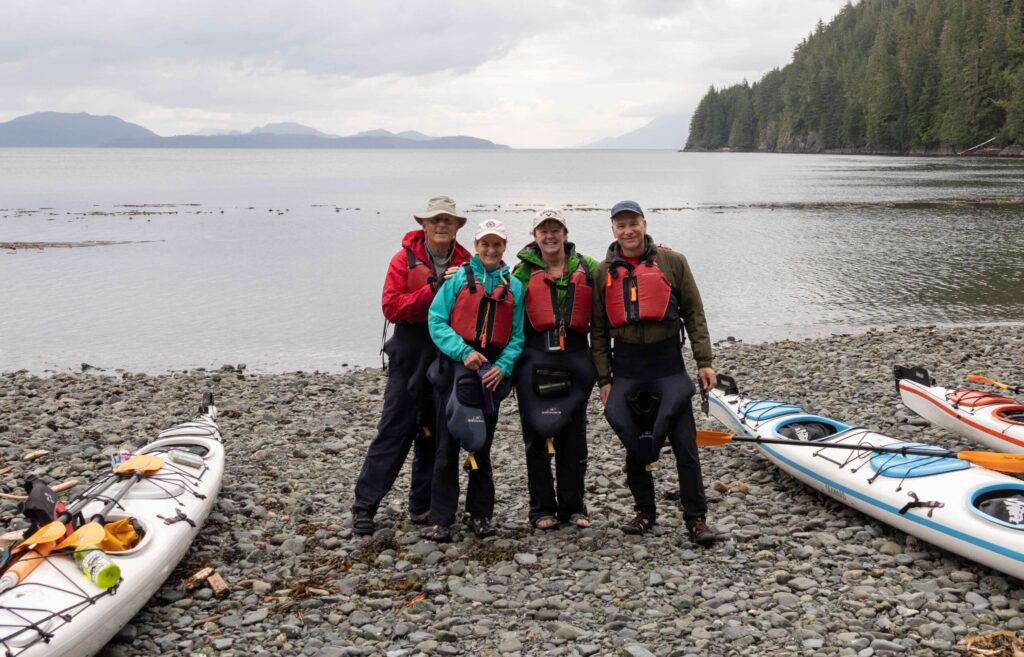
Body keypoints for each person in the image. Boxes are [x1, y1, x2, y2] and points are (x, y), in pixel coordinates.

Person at [590, 200, 718, 546]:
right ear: (613, 230)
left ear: (644, 224)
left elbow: (694, 313)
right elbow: (598, 331)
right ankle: (645, 511)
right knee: (635, 445)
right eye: (621, 225)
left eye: (633, 223)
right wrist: (604, 379)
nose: (628, 230)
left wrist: (704, 360)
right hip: (628, 369)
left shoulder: (673, 262)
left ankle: (696, 518)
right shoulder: (602, 272)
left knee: (685, 447)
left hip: (668, 367)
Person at [350, 196, 471, 536]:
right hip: (409, 353)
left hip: (446, 354)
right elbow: (391, 307)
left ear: (457, 226)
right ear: (424, 225)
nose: (442, 225)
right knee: (394, 430)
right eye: (436, 220)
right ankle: (364, 505)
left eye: (448, 220)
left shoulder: (466, 261)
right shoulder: (402, 260)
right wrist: (434, 289)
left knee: (436, 434)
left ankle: (422, 506)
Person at [424, 218, 525, 542]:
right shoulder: (457, 279)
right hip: (457, 367)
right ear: (477, 246)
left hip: (490, 372)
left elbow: (518, 336)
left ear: (504, 247)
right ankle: (441, 517)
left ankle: (480, 514)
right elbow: (436, 320)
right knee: (446, 446)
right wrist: (462, 352)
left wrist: (504, 367)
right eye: (485, 244)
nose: (491, 250)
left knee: (481, 445)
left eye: (496, 244)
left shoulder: (515, 287)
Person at [512, 208, 600, 530]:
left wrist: (657, 254)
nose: (550, 236)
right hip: (535, 357)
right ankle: (541, 509)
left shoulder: (587, 267)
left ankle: (574, 507)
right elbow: (500, 306)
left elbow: (619, 270)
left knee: (573, 438)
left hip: (575, 356)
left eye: (555, 229)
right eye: (543, 230)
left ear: (565, 232)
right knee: (536, 435)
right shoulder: (520, 274)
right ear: (534, 235)